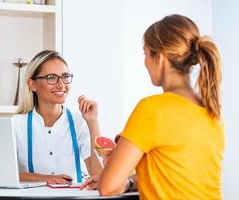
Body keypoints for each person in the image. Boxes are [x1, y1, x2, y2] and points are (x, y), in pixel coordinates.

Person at [81, 14, 224, 200]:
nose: (145, 62)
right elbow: (176, 177)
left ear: (161, 58)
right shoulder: (212, 111)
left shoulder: (152, 109)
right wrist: (131, 181)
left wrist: (114, 164)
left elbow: (108, 186)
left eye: (146, 53)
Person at [13, 50, 102, 184]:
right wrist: (44, 178)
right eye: (51, 77)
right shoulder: (16, 125)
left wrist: (93, 122)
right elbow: (4, 174)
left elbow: (99, 176)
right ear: (32, 85)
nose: (61, 85)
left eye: (65, 76)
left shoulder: (80, 122)